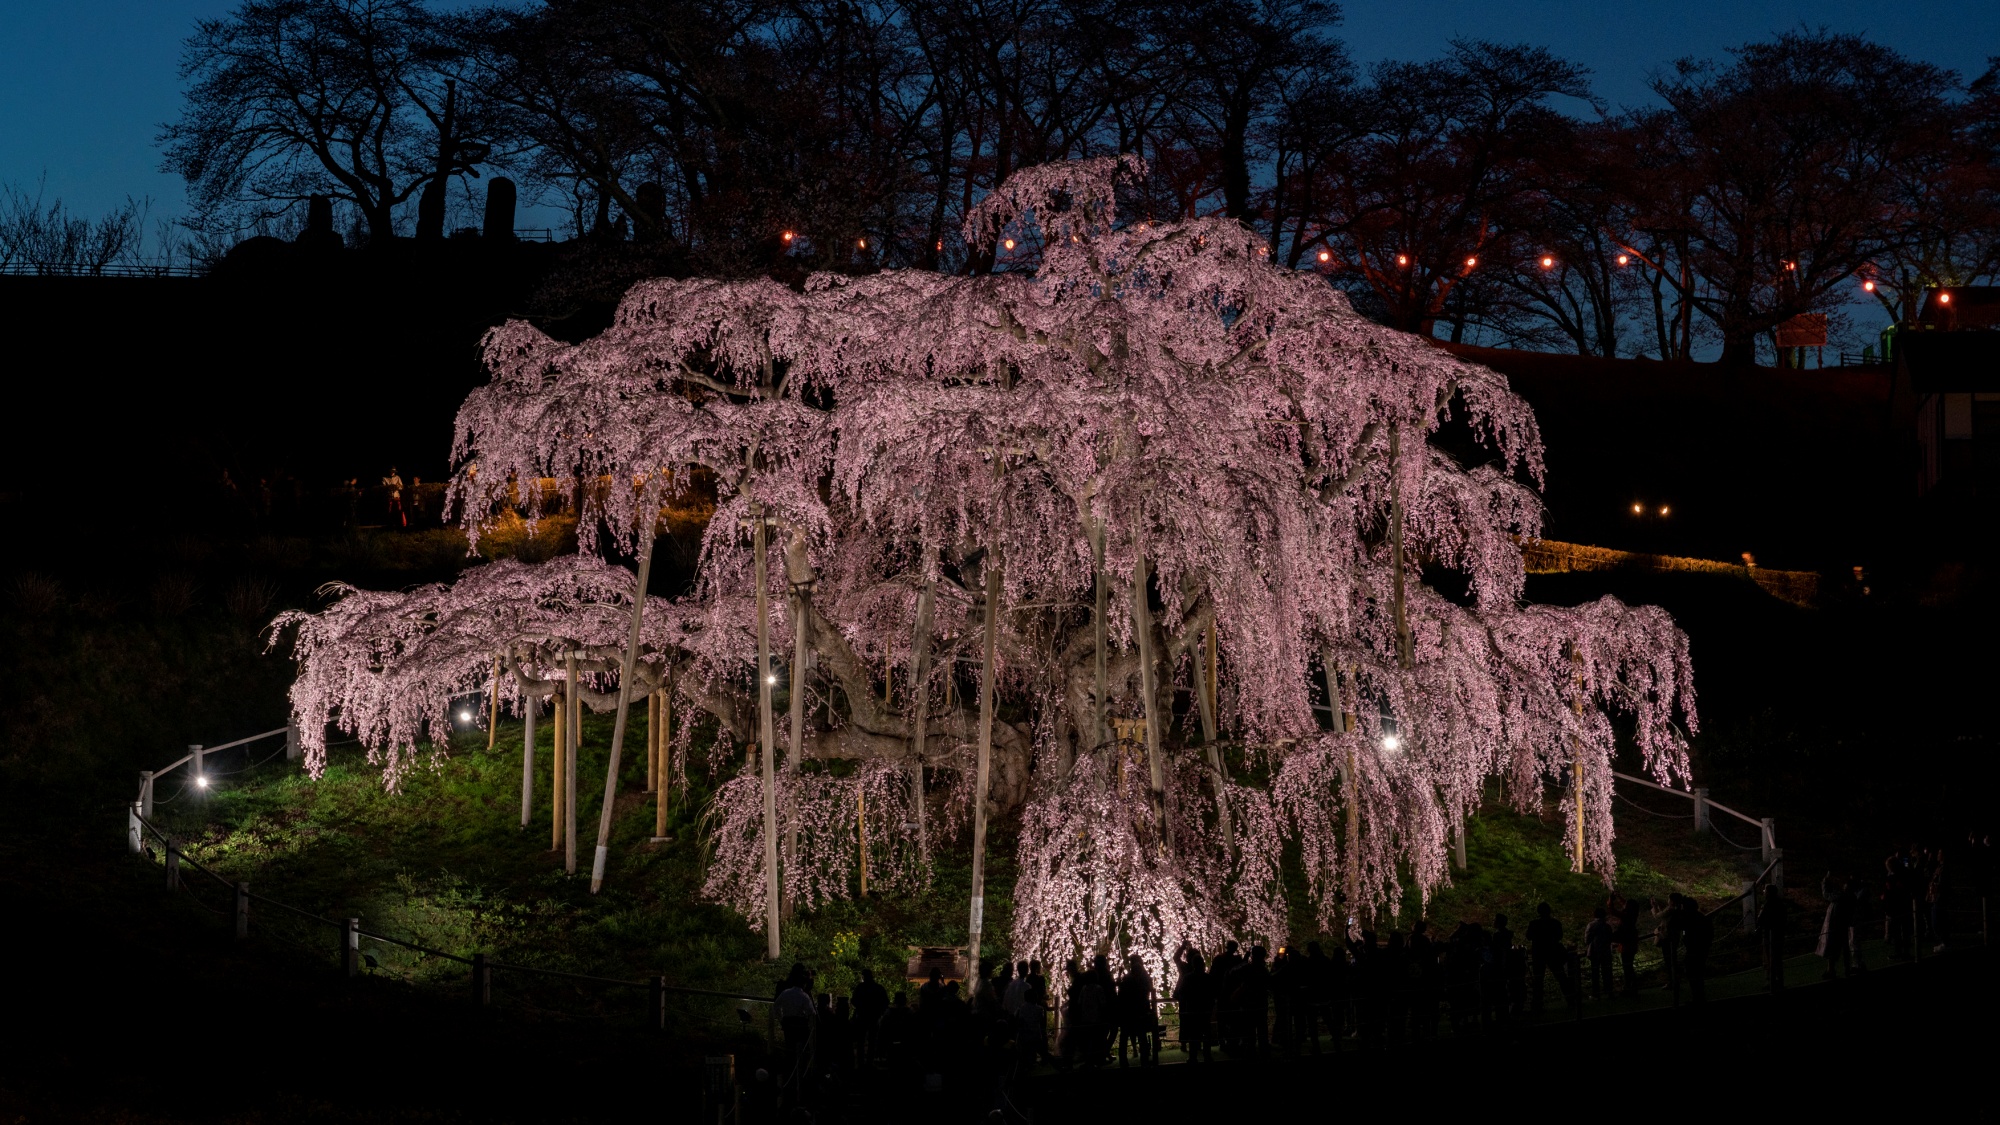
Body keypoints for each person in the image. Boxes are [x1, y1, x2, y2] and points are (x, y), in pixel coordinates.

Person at [1174, 941, 1212, 1062]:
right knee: (1205, 1029)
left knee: (1188, 1024)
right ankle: (1206, 1053)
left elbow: (1175, 958)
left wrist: (1182, 947)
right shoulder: (1207, 977)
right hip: (1204, 1006)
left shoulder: (1185, 970)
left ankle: (1189, 1050)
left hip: (1188, 1004)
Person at [1116, 954, 1156, 1066]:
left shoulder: (1127, 979)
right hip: (1140, 1011)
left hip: (1127, 1012)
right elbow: (1148, 990)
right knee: (1141, 1035)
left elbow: (1120, 992)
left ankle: (1123, 1061)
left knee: (1124, 1036)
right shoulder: (1144, 978)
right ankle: (1144, 1059)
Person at [1232, 945, 1272, 1056]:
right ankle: (1263, 1050)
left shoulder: (1247, 968)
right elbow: (1269, 984)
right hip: (1261, 1003)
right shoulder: (1263, 970)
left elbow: (1233, 972)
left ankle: (1250, 1051)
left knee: (1249, 1030)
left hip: (1248, 1004)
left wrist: (1245, 960)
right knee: (1262, 1028)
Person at [1525, 902, 1563, 1013]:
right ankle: (1571, 998)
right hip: (1553, 952)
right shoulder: (1555, 923)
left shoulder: (1534, 924)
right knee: (1560, 976)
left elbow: (1528, 936)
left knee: (1538, 980)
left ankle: (1537, 1004)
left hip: (1539, 953)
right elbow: (1559, 936)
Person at [1817, 871, 1853, 980]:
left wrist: (1825, 882)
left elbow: (1827, 895)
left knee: (1833, 947)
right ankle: (1845, 968)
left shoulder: (1839, 897)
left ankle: (1832, 970)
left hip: (1836, 925)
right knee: (1844, 947)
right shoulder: (1847, 897)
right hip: (1843, 924)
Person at [1208, 940, 1243, 1050]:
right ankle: (1232, 1041)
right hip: (1233, 993)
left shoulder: (1219, 959)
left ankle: (1223, 1041)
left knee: (1223, 1018)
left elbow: (1212, 975)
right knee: (1233, 1018)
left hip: (1222, 993)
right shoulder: (1237, 960)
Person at [852, 967, 888, 1066]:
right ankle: (869, 1062)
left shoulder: (860, 987)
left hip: (863, 1017)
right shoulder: (878, 988)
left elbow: (853, 1001)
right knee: (872, 1041)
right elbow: (885, 1003)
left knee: (861, 1041)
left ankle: (861, 1062)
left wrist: (861, 1008)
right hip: (874, 1017)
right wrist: (879, 1012)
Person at [1757, 884, 1788, 992]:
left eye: (1765, 890)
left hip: (1769, 936)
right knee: (1777, 959)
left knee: (1769, 959)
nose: (1763, 891)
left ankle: (1771, 982)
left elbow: (1760, 920)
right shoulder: (1781, 904)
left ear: (1769, 893)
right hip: (1779, 935)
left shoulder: (1767, 905)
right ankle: (1779, 981)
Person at [1611, 893, 1642, 995]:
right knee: (1629, 966)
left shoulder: (1626, 916)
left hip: (1627, 943)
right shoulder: (1633, 913)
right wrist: (1620, 897)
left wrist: (1611, 900)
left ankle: (1629, 987)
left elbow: (1613, 911)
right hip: (1632, 942)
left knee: (1627, 966)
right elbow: (1626, 904)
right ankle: (1631, 987)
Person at [1584, 907, 1615, 1000]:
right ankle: (1609, 992)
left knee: (1595, 974)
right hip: (1606, 952)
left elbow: (1587, 940)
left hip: (1594, 952)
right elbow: (1611, 938)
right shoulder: (1607, 926)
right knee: (1607, 972)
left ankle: (1596, 994)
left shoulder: (1591, 925)